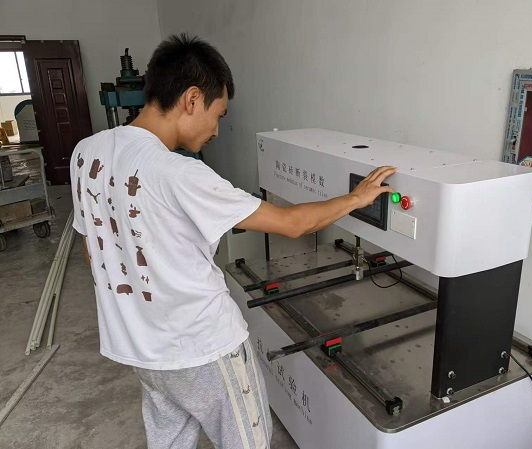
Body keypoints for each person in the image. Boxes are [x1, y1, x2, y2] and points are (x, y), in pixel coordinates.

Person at [69, 33, 395, 449]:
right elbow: (293, 223)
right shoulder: (178, 172)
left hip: (141, 351)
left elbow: (93, 250)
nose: (217, 130)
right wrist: (356, 198)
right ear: (191, 99)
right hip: (205, 349)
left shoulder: (87, 153)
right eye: (218, 114)